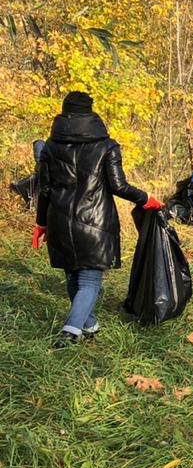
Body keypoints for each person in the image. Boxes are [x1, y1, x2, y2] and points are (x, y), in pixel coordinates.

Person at [31, 91, 163, 348]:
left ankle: (88, 323)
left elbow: (44, 189)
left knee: (73, 276)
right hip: (96, 222)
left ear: (64, 112)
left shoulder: (50, 146)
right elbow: (118, 186)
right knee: (89, 280)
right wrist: (146, 198)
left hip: (59, 220)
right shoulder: (107, 146)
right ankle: (71, 331)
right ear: (91, 113)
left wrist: (41, 223)